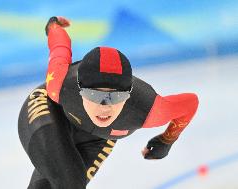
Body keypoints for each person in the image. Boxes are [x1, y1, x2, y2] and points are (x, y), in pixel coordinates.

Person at [18, 16, 199, 189]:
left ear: (129, 94)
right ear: (80, 90)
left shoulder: (148, 109)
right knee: (69, 183)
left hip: (98, 137)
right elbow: (60, 48)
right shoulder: (60, 84)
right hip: (52, 111)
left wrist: (167, 140)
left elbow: (191, 103)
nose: (105, 107)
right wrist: (54, 26)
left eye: (116, 97)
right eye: (94, 96)